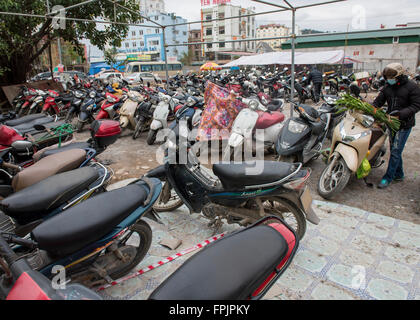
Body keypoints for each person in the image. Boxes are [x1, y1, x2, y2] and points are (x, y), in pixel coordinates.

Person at [372, 63, 420, 189]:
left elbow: (416, 105)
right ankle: (399, 174)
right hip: (390, 123)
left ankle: (388, 177)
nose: (389, 79)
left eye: (391, 77)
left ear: (399, 75)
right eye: (386, 77)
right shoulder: (387, 87)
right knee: (395, 149)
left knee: (395, 150)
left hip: (404, 124)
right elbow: (378, 102)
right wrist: (370, 108)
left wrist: (400, 114)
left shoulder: (412, 87)